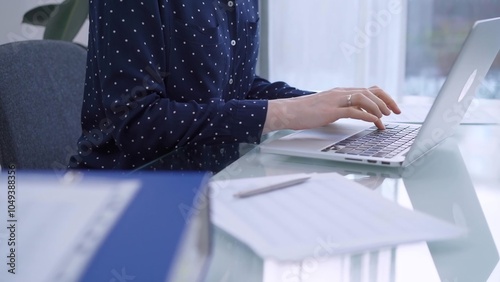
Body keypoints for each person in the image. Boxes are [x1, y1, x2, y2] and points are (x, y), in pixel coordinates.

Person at [69, 0, 401, 170]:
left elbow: (237, 88)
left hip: (219, 183)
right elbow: (138, 123)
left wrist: (324, 104)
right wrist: (284, 114)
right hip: (132, 193)